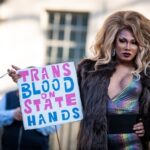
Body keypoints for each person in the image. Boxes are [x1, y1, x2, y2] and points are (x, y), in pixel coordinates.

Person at [7, 10, 150, 150]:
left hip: (132, 144)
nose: (127, 47)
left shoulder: (146, 74)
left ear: (140, 45)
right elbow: (59, 89)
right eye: (122, 41)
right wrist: (27, 80)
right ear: (113, 41)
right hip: (94, 143)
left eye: (134, 42)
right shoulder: (90, 70)